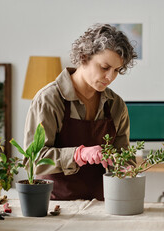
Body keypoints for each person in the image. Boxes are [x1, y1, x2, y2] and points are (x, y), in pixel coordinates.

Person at [23, 23, 137, 200]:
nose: (110, 77)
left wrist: (126, 168)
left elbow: (124, 158)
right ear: (84, 57)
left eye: (117, 70)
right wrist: (78, 154)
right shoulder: (49, 99)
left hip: (103, 205)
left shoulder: (116, 105)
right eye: (105, 67)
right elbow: (33, 160)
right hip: (56, 206)